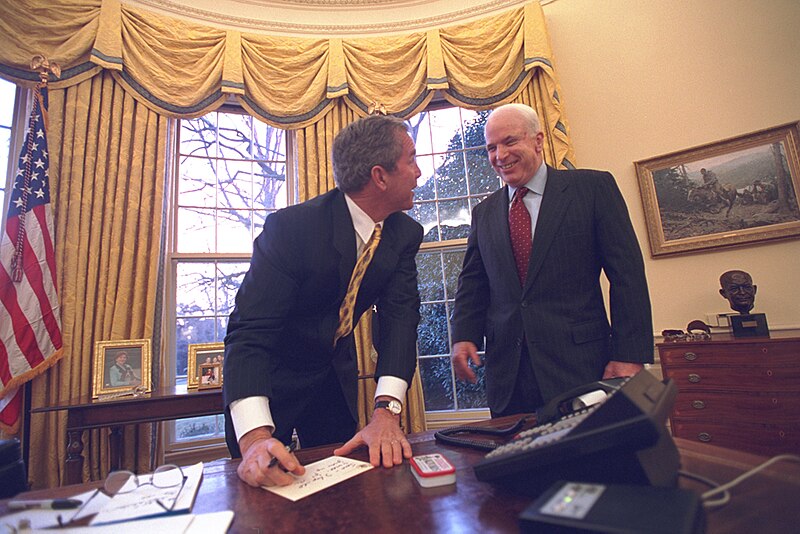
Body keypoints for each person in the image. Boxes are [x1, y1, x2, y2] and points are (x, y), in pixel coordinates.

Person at [223, 114, 423, 488]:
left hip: (332, 377)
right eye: (411, 160)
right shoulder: (291, 230)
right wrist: (254, 438)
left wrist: (386, 412)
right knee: (264, 491)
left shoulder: (404, 233)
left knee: (344, 489)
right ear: (380, 176)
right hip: (271, 377)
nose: (419, 172)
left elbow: (401, 320)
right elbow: (250, 333)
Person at [449, 103, 653, 418]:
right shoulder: (484, 213)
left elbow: (627, 276)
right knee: (521, 463)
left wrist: (629, 354)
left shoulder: (593, 189)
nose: (500, 156)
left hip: (580, 368)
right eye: (491, 147)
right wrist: (464, 334)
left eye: (510, 142)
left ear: (538, 141)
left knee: (589, 463)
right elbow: (474, 282)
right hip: (510, 376)